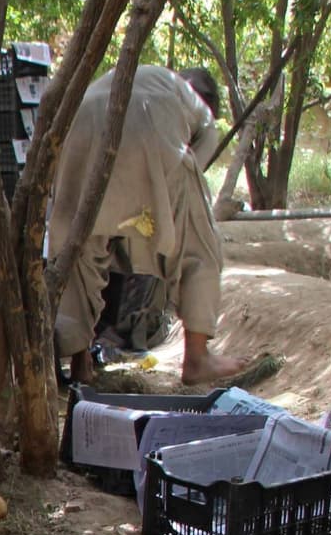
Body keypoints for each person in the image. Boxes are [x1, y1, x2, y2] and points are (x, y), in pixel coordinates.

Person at [49, 65, 248, 385]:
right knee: (200, 245)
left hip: (81, 121)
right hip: (150, 122)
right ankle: (197, 358)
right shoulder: (201, 114)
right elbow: (188, 184)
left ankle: (80, 360)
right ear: (208, 100)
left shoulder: (146, 75)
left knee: (80, 246)